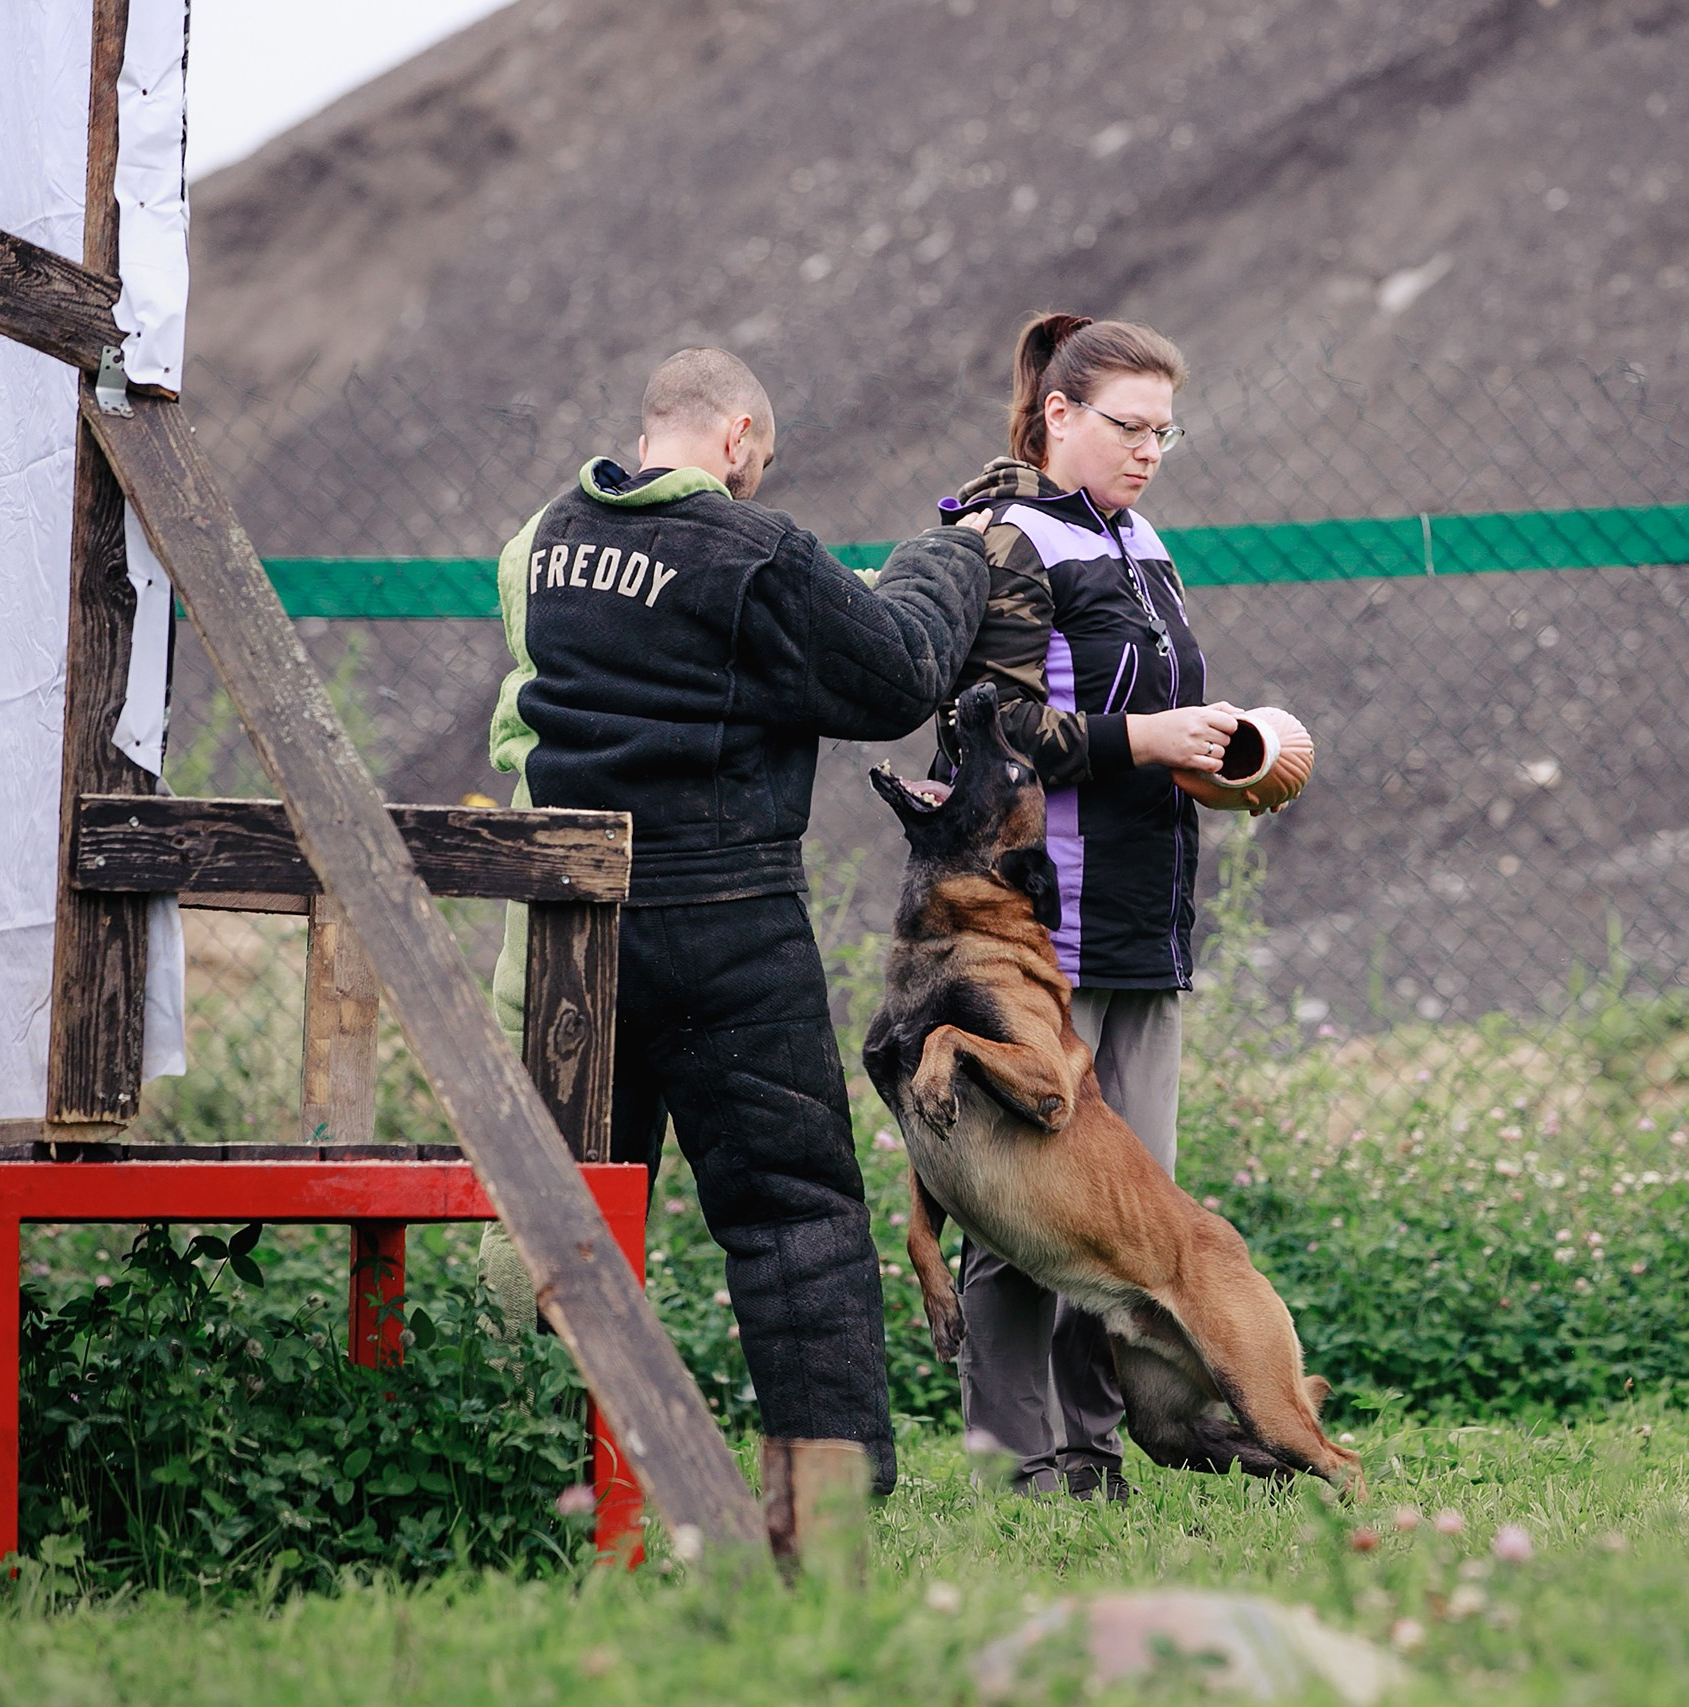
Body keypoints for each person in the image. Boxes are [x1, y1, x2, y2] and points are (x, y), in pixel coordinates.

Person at [486, 347, 991, 1495]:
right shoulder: (753, 551)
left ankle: (522, 1466)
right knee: (790, 1215)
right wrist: (946, 557)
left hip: (576, 924)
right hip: (726, 924)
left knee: (567, 1208)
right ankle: (830, 1488)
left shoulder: (543, 542)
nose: (754, 475)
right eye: (756, 457)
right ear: (735, 435)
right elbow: (899, 673)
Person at [933, 314, 1240, 1500]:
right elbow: (992, 728)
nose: (1150, 450)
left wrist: (1222, 758)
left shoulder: (1142, 537)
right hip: (1033, 934)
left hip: (1143, 922)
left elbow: (1149, 717)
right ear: (1058, 415)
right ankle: (1014, 1465)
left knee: (1126, 1216)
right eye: (1128, 426)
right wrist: (1143, 739)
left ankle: (1096, 1457)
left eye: (1165, 430)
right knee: (1023, 1212)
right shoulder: (1004, 540)